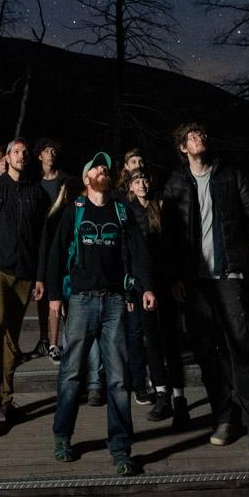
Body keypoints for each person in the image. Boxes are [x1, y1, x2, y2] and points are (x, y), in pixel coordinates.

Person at [161, 121, 249, 463]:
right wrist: (174, 277)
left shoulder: (230, 175)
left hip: (229, 273)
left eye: (203, 135)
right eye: (193, 137)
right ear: (183, 147)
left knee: (240, 348)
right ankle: (225, 418)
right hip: (195, 281)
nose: (200, 139)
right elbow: (168, 236)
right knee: (207, 353)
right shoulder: (176, 183)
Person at [41, 151, 155, 475]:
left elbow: (139, 252)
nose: (103, 170)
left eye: (106, 167)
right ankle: (62, 436)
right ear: (87, 177)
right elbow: (56, 253)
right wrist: (54, 296)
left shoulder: (121, 211)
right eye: (96, 168)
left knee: (119, 377)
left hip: (116, 301)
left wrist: (146, 287)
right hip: (80, 300)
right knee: (71, 372)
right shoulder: (74, 211)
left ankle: (120, 448)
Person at [0, 137, 49, 437]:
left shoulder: (36, 193)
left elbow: (42, 239)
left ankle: (5, 399)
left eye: (25, 152)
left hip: (24, 275)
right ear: (8, 156)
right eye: (16, 151)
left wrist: (40, 276)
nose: (22, 155)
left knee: (12, 341)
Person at [125, 167, 189, 426]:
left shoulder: (161, 207)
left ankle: (179, 399)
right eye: (136, 180)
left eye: (144, 179)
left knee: (170, 339)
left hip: (165, 282)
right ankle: (161, 393)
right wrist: (130, 290)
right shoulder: (127, 214)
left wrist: (177, 279)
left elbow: (175, 246)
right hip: (142, 286)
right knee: (151, 340)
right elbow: (127, 255)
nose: (141, 183)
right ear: (129, 186)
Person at [31, 138, 72, 360]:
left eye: (54, 150)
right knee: (43, 289)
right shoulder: (34, 182)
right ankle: (44, 337)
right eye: (47, 150)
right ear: (40, 156)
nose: (51, 153)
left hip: (61, 238)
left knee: (61, 287)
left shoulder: (65, 179)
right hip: (40, 240)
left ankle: (62, 340)